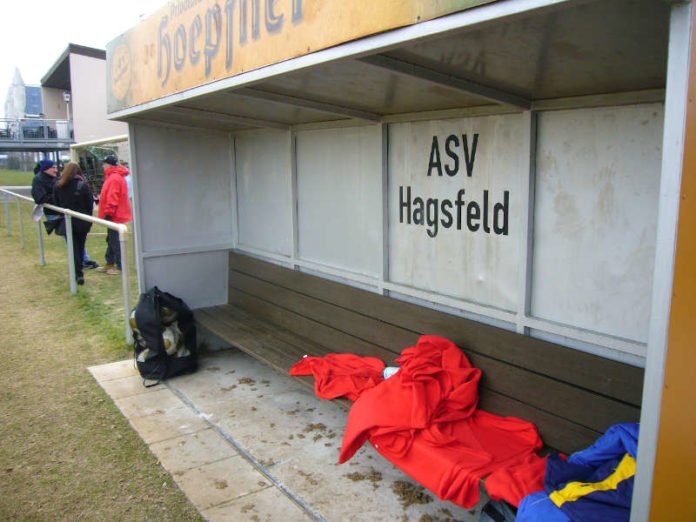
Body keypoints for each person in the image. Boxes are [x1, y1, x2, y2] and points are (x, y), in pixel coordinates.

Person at [53, 162, 94, 285]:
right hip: (81, 222)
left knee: (72, 248)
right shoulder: (83, 186)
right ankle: (79, 272)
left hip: (66, 220)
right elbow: (89, 205)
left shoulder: (58, 186)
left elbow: (57, 204)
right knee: (80, 247)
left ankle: (77, 273)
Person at [96, 154, 132, 275]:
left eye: (104, 163)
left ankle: (120, 266)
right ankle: (110, 263)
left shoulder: (114, 178)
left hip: (115, 215)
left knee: (115, 241)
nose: (102, 165)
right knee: (111, 239)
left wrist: (108, 213)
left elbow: (113, 197)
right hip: (115, 214)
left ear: (109, 164)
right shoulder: (114, 177)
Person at [31, 158, 62, 234]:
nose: (56, 170)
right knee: (68, 235)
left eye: (56, 168)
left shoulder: (54, 177)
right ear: (46, 169)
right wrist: (59, 197)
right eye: (53, 168)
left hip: (60, 211)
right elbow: (40, 198)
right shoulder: (38, 180)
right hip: (53, 212)